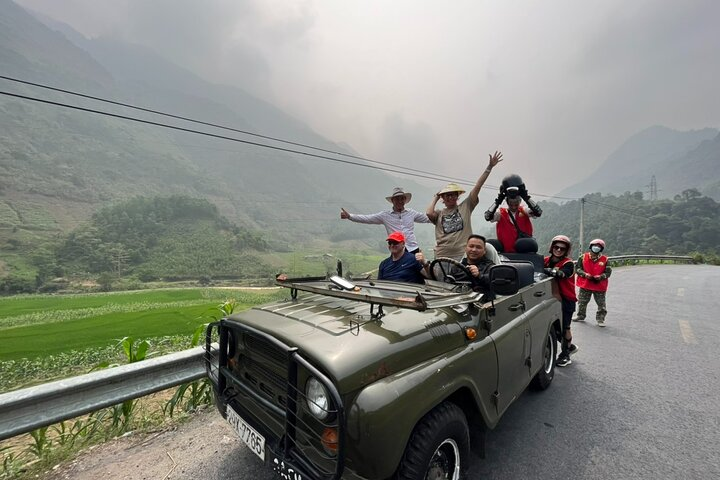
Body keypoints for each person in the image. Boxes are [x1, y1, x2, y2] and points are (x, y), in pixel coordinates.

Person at [426, 151, 503, 260]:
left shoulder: (465, 206)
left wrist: (489, 167)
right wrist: (436, 197)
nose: (450, 198)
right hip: (442, 254)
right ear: (442, 198)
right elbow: (429, 213)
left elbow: (478, 186)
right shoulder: (439, 213)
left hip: (462, 254)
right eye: (446, 195)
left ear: (457, 196)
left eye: (453, 195)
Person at [340, 187, 430, 254]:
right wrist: (350, 216)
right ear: (392, 200)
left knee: (417, 274)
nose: (400, 201)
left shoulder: (411, 213)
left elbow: (428, 218)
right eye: (397, 199)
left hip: (413, 248)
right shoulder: (385, 215)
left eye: (402, 198)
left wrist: (440, 216)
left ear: (405, 200)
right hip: (397, 249)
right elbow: (367, 218)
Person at [543, 235, 578, 367]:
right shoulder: (545, 260)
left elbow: (562, 274)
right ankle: (569, 346)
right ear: (552, 247)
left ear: (566, 250)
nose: (558, 250)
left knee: (565, 328)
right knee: (555, 327)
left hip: (566, 299)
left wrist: (547, 271)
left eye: (562, 248)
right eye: (556, 247)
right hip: (551, 298)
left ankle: (565, 355)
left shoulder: (568, 263)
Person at [485, 174, 542, 253]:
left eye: (516, 204)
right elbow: (488, 216)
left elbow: (538, 212)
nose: (514, 207)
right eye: (511, 204)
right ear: (507, 202)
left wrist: (526, 197)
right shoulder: (500, 213)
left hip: (524, 253)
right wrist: (498, 201)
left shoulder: (524, 211)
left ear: (520, 201)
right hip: (506, 254)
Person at [574, 239, 612, 327]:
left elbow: (608, 273)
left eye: (599, 246)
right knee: (582, 302)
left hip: (599, 285)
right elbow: (577, 268)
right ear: (591, 246)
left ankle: (600, 319)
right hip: (585, 284)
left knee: (601, 304)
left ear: (601, 248)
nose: (596, 248)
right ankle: (580, 315)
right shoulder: (583, 257)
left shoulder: (605, 260)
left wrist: (601, 276)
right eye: (595, 245)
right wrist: (584, 274)